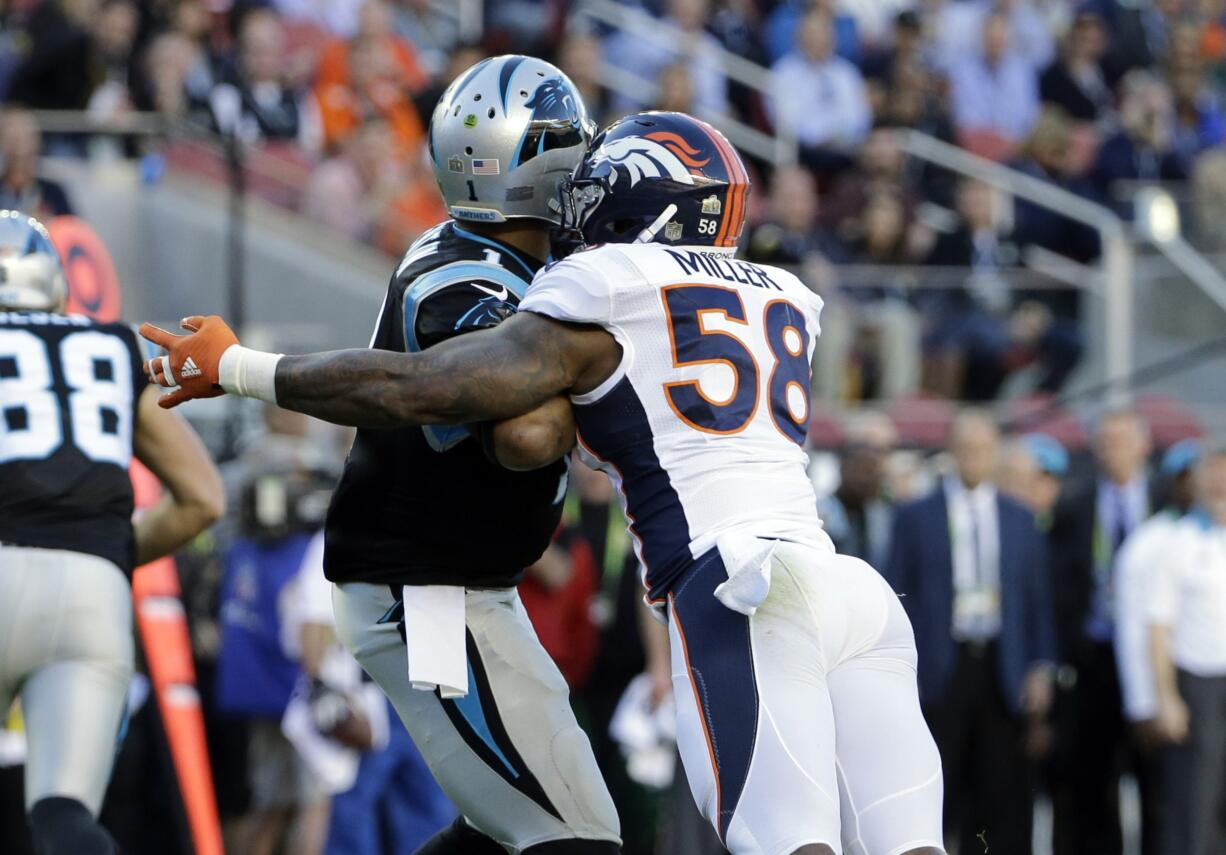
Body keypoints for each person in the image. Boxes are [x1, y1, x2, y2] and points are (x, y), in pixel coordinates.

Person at [141, 110, 946, 855]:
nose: (576, 215)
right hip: (850, 590)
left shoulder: (608, 285)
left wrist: (240, 368)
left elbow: (426, 388)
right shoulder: (789, 294)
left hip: (744, 590)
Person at [174, 55, 621, 855]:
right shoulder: (459, 280)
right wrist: (595, 385)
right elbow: (520, 434)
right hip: (425, 594)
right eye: (568, 143)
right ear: (535, 162)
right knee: (575, 835)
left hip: (460, 586)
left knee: (507, 826)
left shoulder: (513, 260)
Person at [0, 211, 225, 855]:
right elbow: (203, 498)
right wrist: (103, 555)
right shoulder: (107, 347)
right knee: (64, 818)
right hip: (91, 593)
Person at [885, 410, 1056, 855]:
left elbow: (1037, 600)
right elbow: (897, 594)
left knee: (1001, 792)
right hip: (941, 667)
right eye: (966, 448)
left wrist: (1041, 667)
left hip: (1002, 664)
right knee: (938, 789)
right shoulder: (916, 516)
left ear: (996, 453)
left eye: (983, 449)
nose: (974, 457)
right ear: (952, 451)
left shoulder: (1019, 518)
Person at [1049, 408, 1155, 855]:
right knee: (1091, 780)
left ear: (1143, 446)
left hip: (1153, 659)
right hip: (1093, 656)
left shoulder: (1168, 500)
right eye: (1105, 441)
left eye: (1122, 440)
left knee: (1158, 779)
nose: (1113, 450)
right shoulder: (1075, 505)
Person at [1148, 447, 1226, 855]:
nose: (1220, 485)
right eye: (1213, 476)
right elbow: (1159, 625)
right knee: (1195, 804)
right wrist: (1166, 697)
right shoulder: (1178, 540)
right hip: (1199, 682)